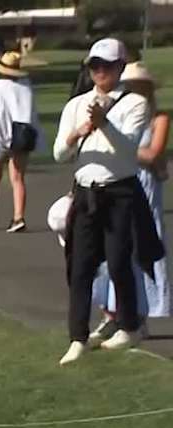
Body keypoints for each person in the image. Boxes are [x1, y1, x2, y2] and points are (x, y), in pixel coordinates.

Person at [55, 38, 162, 363]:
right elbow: (60, 153)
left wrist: (104, 125)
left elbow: (131, 150)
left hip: (120, 191)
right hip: (87, 191)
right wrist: (77, 133)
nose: (100, 72)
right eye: (94, 66)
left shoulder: (135, 104)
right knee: (81, 266)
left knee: (118, 261)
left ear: (119, 68)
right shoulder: (76, 105)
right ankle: (78, 336)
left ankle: (129, 325)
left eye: (107, 66)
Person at [90, 61, 172, 345]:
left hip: (145, 188)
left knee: (143, 248)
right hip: (119, 182)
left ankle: (141, 316)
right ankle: (114, 314)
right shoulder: (118, 113)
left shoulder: (158, 117)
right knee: (113, 248)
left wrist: (120, 146)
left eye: (138, 86)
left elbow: (153, 154)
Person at [0, 50, 39, 232]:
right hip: (22, 135)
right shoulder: (26, 85)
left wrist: (2, 139)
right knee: (18, 178)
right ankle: (18, 216)